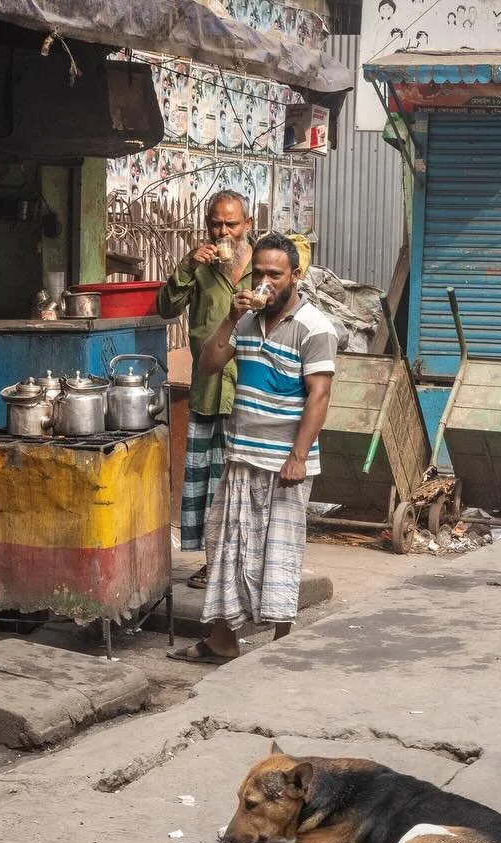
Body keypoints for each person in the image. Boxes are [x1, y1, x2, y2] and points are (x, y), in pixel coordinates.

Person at [167, 234, 336, 665]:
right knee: (228, 548)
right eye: (258, 273)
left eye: (275, 275)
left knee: (279, 552)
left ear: (295, 276)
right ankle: (223, 640)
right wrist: (229, 317)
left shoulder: (315, 327)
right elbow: (209, 364)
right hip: (241, 454)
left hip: (284, 461)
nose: (265, 281)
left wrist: (297, 457)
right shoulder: (245, 319)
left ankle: (282, 645)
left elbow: (319, 396)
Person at [156, 190, 255, 589]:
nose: (224, 231)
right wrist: (184, 266)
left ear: (247, 225)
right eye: (217, 223)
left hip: (250, 389)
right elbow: (165, 308)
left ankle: (243, 563)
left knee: (244, 481)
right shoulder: (200, 267)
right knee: (211, 483)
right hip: (209, 388)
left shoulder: (262, 267)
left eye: (232, 223)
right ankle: (215, 562)